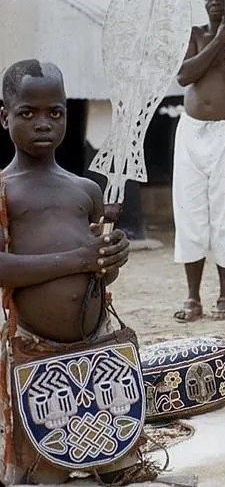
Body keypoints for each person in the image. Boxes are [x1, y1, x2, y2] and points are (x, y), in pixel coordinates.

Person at [0, 60, 153, 485]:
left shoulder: (85, 190)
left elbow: (97, 277)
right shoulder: (3, 190)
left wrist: (109, 260)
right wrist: (78, 260)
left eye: (56, 112)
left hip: (96, 349)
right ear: (4, 117)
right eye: (28, 113)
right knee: (41, 477)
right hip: (36, 353)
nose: (43, 123)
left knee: (119, 462)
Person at [172, 0, 225, 322]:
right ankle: (193, 297)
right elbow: (184, 75)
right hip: (192, 132)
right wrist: (216, 44)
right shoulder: (197, 35)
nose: (214, 2)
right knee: (190, 212)